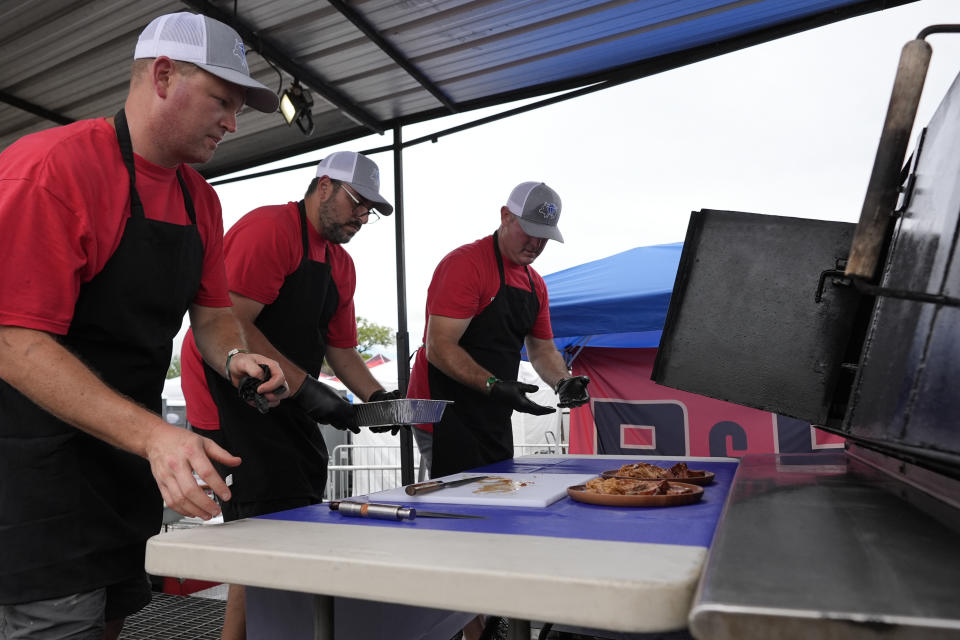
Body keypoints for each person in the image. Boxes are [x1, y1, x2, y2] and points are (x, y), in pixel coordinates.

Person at [0, 12, 289, 640]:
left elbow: (213, 318)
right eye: (222, 100)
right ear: (162, 75)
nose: (232, 123)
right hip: (32, 472)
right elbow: (14, 342)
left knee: (112, 622)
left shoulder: (201, 199)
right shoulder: (53, 170)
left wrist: (234, 358)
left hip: (124, 467)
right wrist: (158, 437)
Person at [180, 150, 402, 640]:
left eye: (371, 210)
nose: (363, 217)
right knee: (263, 522)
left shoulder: (341, 266)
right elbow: (232, 322)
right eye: (357, 203)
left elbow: (341, 349)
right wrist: (309, 390)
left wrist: (378, 397)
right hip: (231, 394)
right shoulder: (270, 229)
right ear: (323, 187)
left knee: (297, 510)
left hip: (287, 396)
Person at [407, 181, 591, 480]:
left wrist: (563, 381)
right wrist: (493, 384)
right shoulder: (466, 265)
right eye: (530, 231)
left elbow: (542, 349)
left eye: (544, 236)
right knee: (460, 501)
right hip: (443, 411)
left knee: (497, 493)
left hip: (493, 406)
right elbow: (439, 347)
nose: (536, 244)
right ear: (506, 216)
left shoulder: (536, 284)